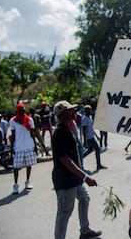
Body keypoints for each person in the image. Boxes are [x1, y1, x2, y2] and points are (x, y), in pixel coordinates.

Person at [51, 100, 102, 239]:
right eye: (70, 110)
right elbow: (65, 160)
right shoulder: (60, 132)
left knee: (84, 198)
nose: (73, 112)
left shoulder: (68, 128)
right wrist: (85, 177)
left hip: (74, 178)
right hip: (66, 180)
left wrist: (81, 175)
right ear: (62, 114)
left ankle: (85, 231)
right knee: (64, 212)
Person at [9, 103, 37, 194]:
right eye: (22, 109)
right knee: (16, 167)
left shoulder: (29, 119)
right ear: (18, 110)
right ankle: (15, 185)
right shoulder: (13, 121)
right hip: (18, 147)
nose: (24, 110)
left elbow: (33, 133)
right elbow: (12, 135)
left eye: (24, 109)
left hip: (29, 145)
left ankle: (28, 181)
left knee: (29, 165)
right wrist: (11, 147)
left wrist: (35, 146)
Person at [82, 105, 106, 170]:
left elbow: (91, 128)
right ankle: (98, 165)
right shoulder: (84, 119)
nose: (91, 111)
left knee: (90, 150)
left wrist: (97, 136)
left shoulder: (89, 117)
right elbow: (84, 131)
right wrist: (84, 141)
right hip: (89, 138)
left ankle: (80, 159)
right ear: (86, 111)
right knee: (97, 149)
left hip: (92, 136)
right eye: (89, 110)